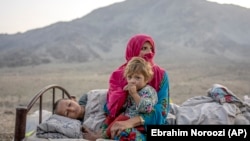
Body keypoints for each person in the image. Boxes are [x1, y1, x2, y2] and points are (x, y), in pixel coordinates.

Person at [84, 33, 171, 141]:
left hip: (151, 123)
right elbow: (111, 108)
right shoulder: (119, 75)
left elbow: (162, 109)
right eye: (144, 48)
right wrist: (123, 93)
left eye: (151, 49)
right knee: (120, 131)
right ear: (132, 50)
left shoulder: (160, 75)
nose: (149, 53)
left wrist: (130, 122)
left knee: (125, 132)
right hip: (123, 120)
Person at [103, 56, 158, 140]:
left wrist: (135, 94)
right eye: (130, 77)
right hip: (126, 119)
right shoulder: (129, 90)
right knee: (109, 120)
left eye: (137, 77)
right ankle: (103, 136)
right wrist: (123, 95)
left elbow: (147, 108)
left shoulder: (148, 91)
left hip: (140, 125)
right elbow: (124, 107)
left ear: (146, 79)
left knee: (125, 133)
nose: (132, 80)